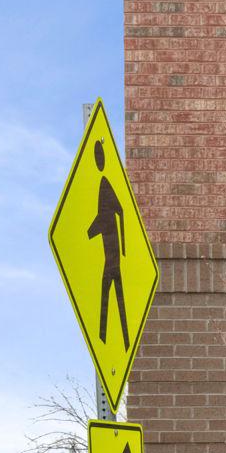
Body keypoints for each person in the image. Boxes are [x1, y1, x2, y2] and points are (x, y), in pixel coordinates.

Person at [87, 140, 129, 347]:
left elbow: (117, 212)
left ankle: (111, 340)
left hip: (113, 258)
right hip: (110, 258)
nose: (98, 161)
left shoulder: (105, 184)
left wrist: (124, 247)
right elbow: (113, 213)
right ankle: (119, 341)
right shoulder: (102, 184)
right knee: (115, 301)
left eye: (99, 156)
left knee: (112, 300)